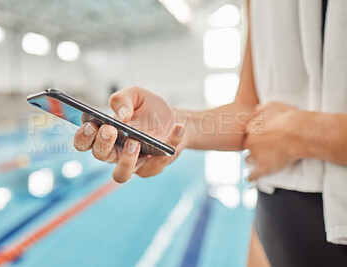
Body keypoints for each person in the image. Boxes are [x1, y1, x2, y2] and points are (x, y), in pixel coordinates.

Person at [73, 0, 347, 266]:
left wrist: (304, 134)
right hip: (272, 228)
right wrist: (177, 125)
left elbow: (277, 128)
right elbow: (249, 110)